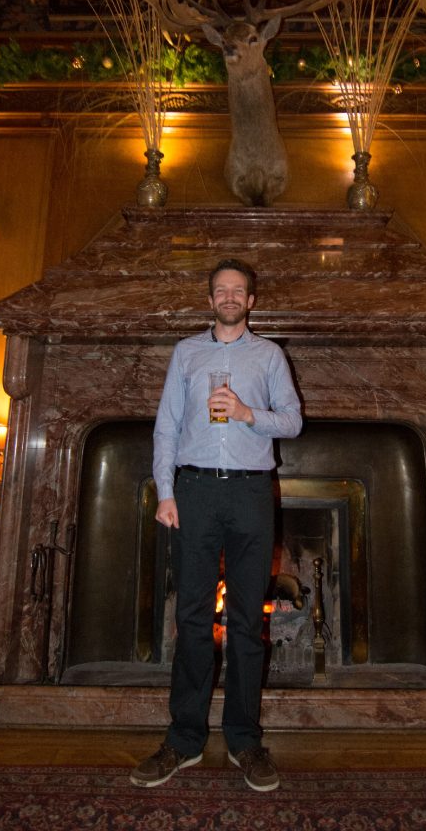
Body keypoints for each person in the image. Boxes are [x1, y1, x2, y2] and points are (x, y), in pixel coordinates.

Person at [130, 258, 302, 793]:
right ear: (210, 300)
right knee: (193, 618)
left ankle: (245, 741)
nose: (229, 297)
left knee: (250, 622)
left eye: (239, 291)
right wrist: (165, 492)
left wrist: (251, 414)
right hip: (196, 490)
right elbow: (166, 428)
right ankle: (183, 740)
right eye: (220, 290)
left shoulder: (270, 355)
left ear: (251, 301)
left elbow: (293, 421)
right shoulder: (186, 353)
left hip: (252, 490)